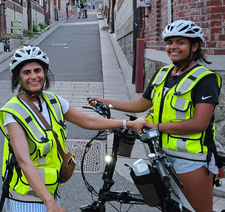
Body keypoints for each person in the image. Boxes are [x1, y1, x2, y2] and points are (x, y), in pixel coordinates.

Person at [89, 20, 221, 212]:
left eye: (180, 42)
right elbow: (141, 104)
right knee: (170, 207)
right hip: (161, 154)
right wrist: (106, 101)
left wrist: (156, 127)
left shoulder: (205, 79)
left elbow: (199, 123)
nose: (172, 47)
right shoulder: (163, 73)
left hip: (191, 160)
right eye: (169, 42)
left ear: (195, 46)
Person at [0, 46, 147, 212]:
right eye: (26, 72)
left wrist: (127, 124)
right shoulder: (13, 112)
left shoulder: (53, 101)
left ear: (45, 72)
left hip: (50, 192)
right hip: (25, 199)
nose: (33, 76)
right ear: (18, 77)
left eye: (37, 70)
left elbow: (87, 120)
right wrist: (49, 203)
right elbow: (24, 160)